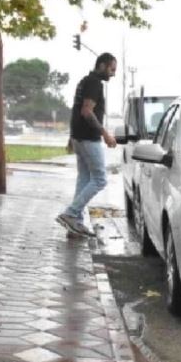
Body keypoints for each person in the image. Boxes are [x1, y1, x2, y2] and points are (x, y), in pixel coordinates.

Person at [56, 53, 118, 237]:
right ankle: (70, 213)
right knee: (100, 179)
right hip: (89, 139)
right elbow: (85, 111)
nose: (113, 74)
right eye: (112, 69)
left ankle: (75, 224)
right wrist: (105, 133)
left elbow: (75, 110)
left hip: (78, 137)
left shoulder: (84, 81)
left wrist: (71, 136)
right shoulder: (94, 84)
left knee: (84, 179)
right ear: (102, 65)